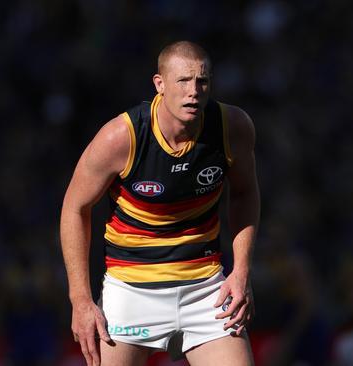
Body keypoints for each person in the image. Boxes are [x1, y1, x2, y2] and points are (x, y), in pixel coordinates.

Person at [60, 40, 260, 366]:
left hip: (206, 289)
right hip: (132, 289)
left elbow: (244, 193)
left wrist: (240, 271)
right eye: (183, 81)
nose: (193, 91)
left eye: (202, 81)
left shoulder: (232, 127)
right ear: (160, 84)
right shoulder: (120, 137)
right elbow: (74, 208)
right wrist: (80, 300)